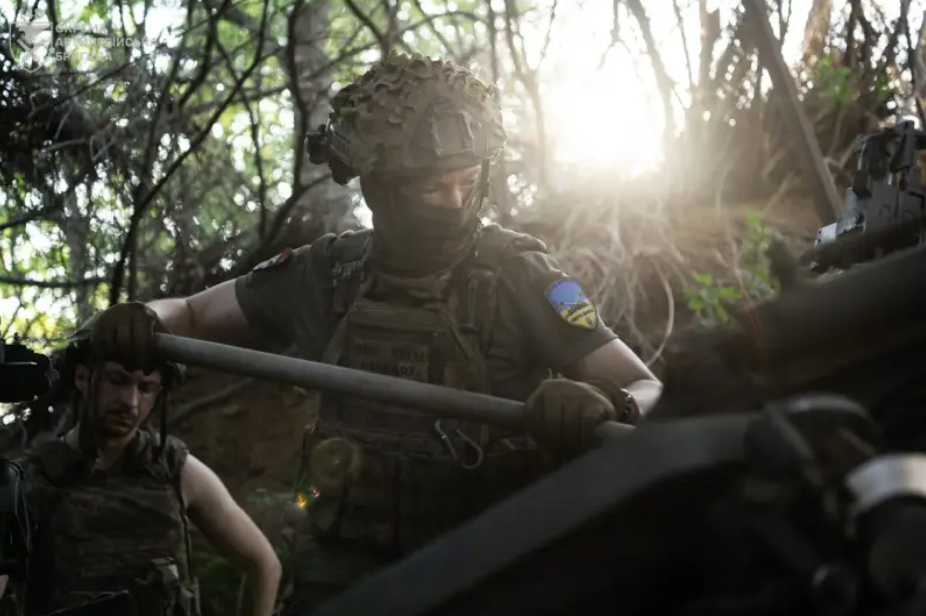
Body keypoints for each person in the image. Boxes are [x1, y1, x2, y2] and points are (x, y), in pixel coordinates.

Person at [86, 52, 663, 611]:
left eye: (468, 181)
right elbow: (190, 313)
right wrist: (142, 317)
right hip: (345, 578)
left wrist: (606, 402)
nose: (456, 203)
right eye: (432, 188)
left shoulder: (521, 274)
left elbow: (648, 387)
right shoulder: (327, 273)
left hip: (485, 569)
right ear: (380, 187)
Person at [0, 312, 282, 616]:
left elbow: (264, 564)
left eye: (145, 388)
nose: (130, 402)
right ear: (82, 377)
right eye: (117, 381)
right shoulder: (30, 482)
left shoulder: (175, 469)